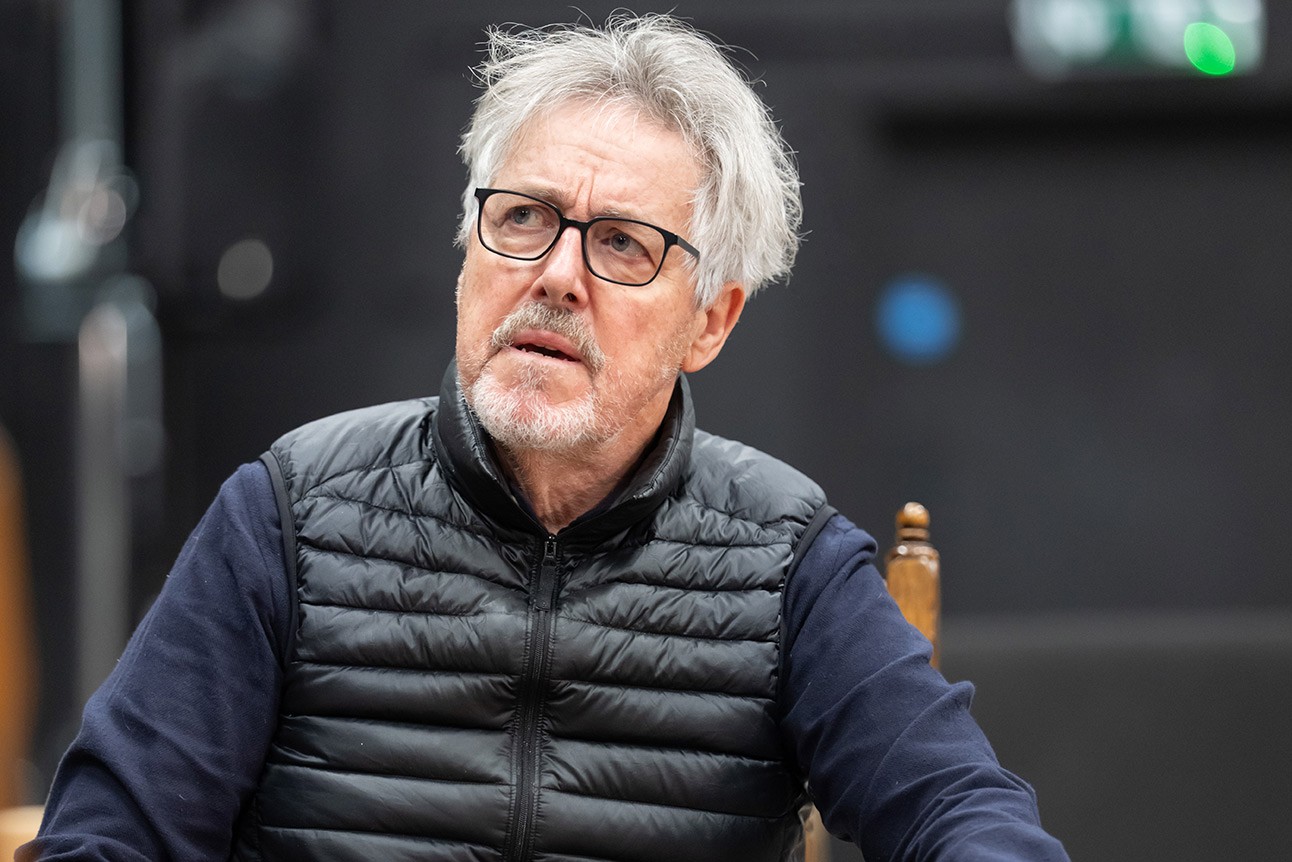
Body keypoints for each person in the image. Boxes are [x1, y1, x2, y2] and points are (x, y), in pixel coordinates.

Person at [22, 13, 1068, 862]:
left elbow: (960, 815)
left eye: (620, 242)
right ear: (467, 251)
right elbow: (108, 836)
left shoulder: (787, 561)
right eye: (523, 217)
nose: (556, 273)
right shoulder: (287, 513)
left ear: (709, 319)